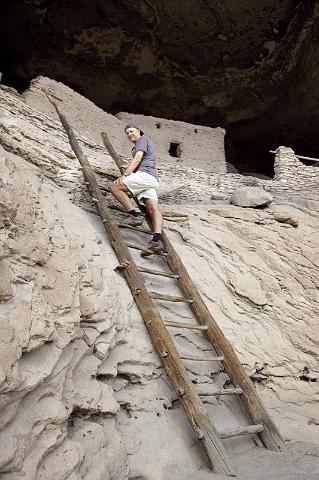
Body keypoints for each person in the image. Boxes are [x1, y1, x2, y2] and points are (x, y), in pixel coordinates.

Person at [109, 123, 164, 253]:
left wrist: (125, 174)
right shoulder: (135, 149)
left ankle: (134, 216)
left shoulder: (142, 140)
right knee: (152, 208)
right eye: (127, 133)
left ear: (139, 131)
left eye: (131, 131)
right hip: (152, 180)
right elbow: (141, 161)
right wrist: (127, 168)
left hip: (145, 176)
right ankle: (157, 239)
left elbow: (138, 158)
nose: (129, 134)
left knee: (114, 187)